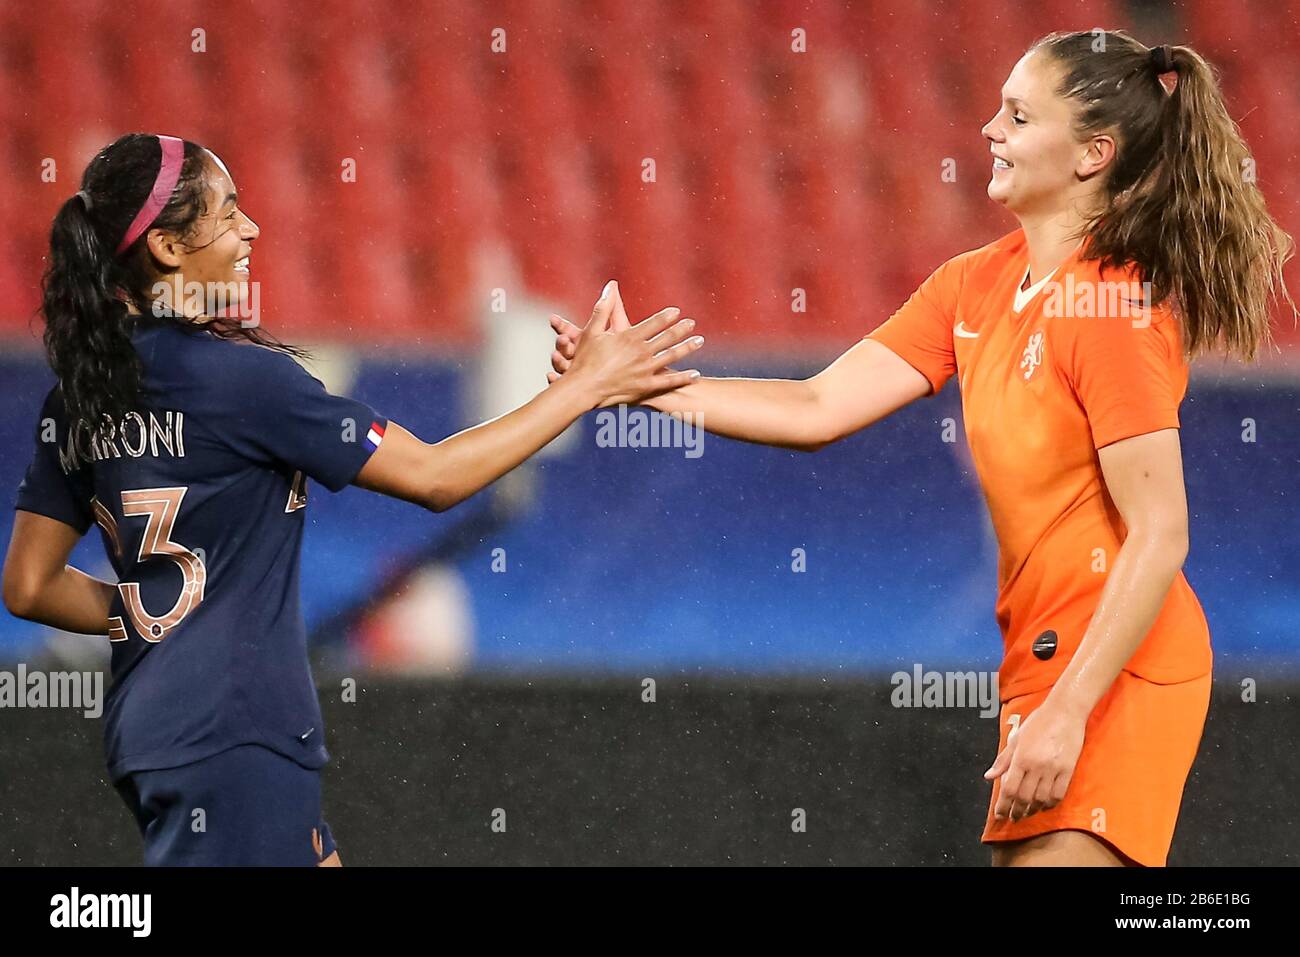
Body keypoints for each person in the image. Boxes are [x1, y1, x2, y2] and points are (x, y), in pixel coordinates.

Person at [547, 31, 1295, 866]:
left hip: (1114, 673)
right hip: (1040, 663)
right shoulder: (973, 281)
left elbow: (1161, 534)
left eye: (1018, 115)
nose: (988, 129)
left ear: (1093, 154)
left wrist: (1068, 711)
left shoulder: (1112, 311)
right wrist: (631, 384)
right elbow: (817, 404)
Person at [1, 132, 703, 866]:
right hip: (238, 732)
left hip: (157, 728)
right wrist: (585, 387)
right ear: (170, 250)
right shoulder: (250, 383)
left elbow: (28, 584)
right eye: (227, 210)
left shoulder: (78, 397)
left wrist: (156, 613)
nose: (252, 229)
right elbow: (437, 478)